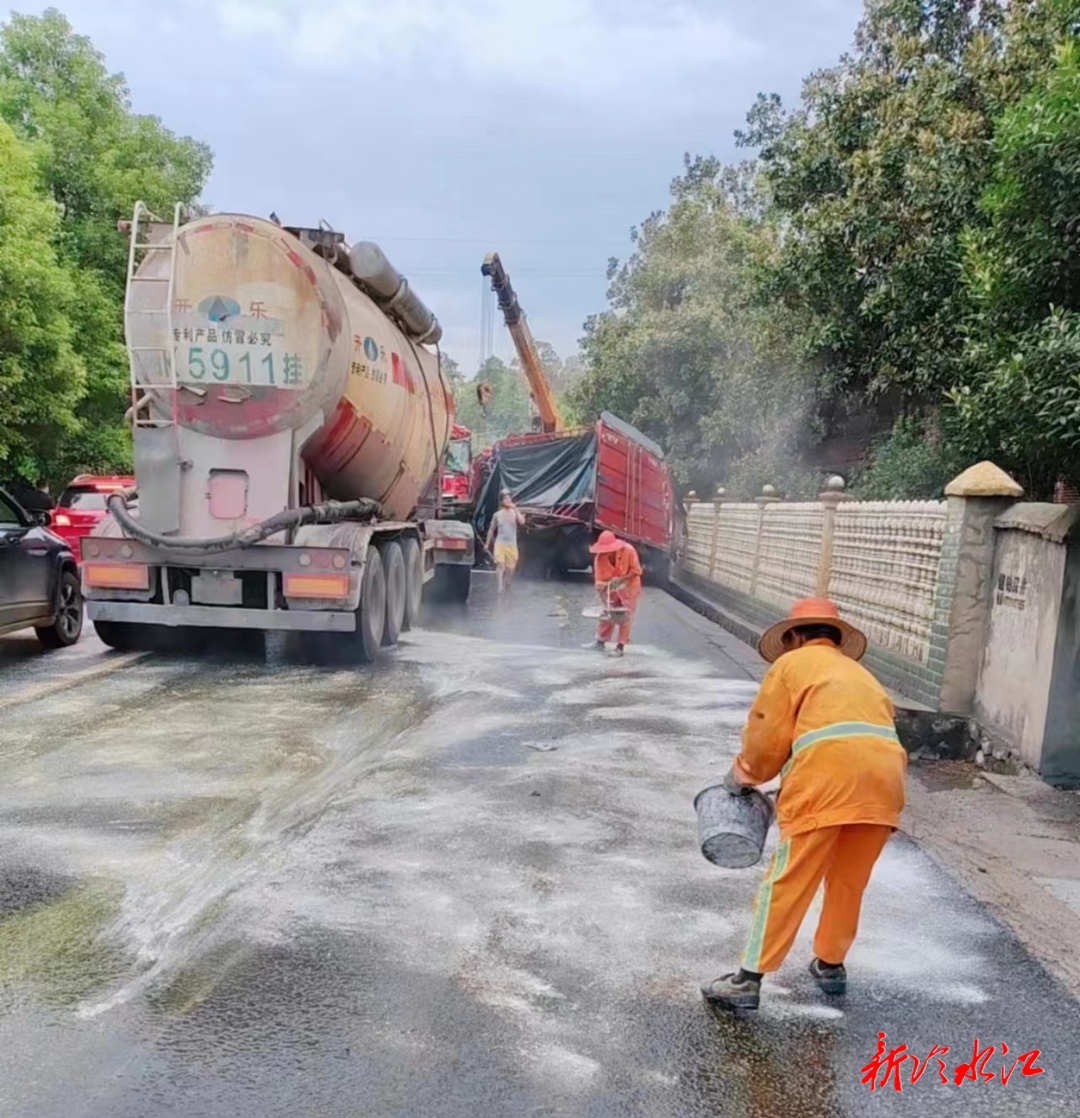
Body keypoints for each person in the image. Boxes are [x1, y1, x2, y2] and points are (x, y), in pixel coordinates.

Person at [701, 597, 908, 1012]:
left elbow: (767, 732)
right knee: (849, 880)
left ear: (795, 636)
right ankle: (831, 966)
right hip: (885, 784)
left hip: (827, 781)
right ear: (834, 638)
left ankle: (747, 979)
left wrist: (742, 775)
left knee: (789, 877)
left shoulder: (791, 666)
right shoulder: (863, 675)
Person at [590, 530, 643, 657]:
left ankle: (620, 646)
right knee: (607, 614)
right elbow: (599, 583)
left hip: (629, 586)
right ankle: (601, 641)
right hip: (610, 589)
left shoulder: (628, 550)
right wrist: (605, 601)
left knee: (625, 615)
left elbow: (637, 571)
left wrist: (621, 579)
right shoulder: (599, 559)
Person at [486, 490, 525, 593]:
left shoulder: (514, 512)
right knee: (501, 565)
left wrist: (515, 508)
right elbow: (491, 529)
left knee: (511, 568)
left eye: (509, 498)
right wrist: (487, 543)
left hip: (512, 544)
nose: (508, 500)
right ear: (502, 501)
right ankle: (500, 586)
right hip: (500, 543)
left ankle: (507, 582)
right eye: (506, 499)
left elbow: (522, 522)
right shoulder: (497, 515)